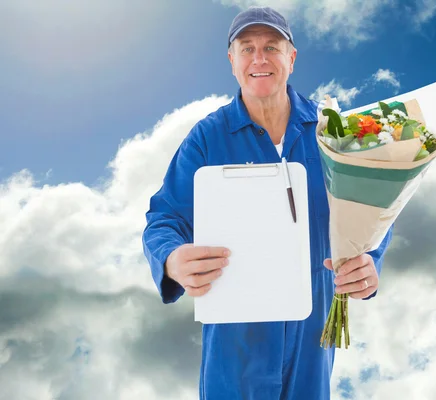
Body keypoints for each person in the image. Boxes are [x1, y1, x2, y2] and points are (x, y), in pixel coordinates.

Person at [142, 6, 393, 399]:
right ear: (232, 61)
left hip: (313, 339)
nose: (259, 58)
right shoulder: (207, 138)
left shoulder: (334, 130)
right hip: (234, 344)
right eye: (247, 48)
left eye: (271, 47)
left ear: (291, 58)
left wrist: (370, 262)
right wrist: (171, 259)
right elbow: (165, 217)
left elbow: (375, 205)